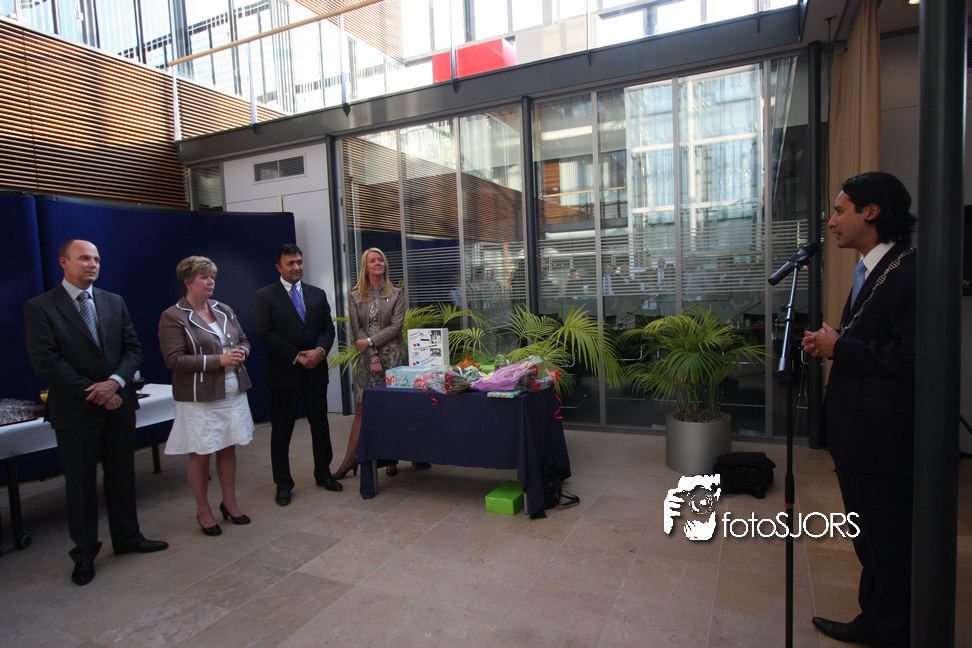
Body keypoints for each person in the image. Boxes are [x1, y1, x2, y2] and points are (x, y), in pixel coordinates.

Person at [801, 172, 917, 648]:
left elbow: (912, 358)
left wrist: (841, 348)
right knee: (870, 539)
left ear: (872, 211)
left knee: (887, 542)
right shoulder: (874, 269)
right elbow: (876, 340)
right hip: (860, 435)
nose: (831, 222)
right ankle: (875, 620)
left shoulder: (908, 271)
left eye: (839, 210)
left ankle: (895, 632)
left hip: (882, 439)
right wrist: (839, 340)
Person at [24, 239, 167, 586]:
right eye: (84, 258)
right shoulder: (41, 307)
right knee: (81, 484)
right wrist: (96, 392)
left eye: (97, 259)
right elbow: (47, 362)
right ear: (64, 262)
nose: (92, 264)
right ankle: (85, 553)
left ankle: (127, 537)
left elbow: (133, 348)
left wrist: (115, 383)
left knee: (122, 476)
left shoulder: (113, 301)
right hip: (76, 410)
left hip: (119, 404)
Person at [159, 256, 254, 536]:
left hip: (232, 391)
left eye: (212, 276)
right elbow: (174, 360)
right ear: (188, 281)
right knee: (201, 453)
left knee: (228, 448)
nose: (210, 281)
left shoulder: (223, 309)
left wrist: (242, 353)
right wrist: (218, 360)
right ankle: (203, 510)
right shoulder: (173, 316)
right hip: (200, 398)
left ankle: (230, 502)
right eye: (204, 277)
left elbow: (243, 339)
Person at [253, 244, 340, 506]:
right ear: (278, 267)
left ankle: (323, 474)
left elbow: (328, 329)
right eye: (290, 263)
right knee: (282, 430)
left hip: (315, 370)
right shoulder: (264, 296)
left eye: (299, 262)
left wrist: (320, 352)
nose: (296, 267)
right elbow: (265, 334)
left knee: (320, 425)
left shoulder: (317, 294)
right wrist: (297, 356)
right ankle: (283, 484)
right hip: (284, 371)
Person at [332, 247, 407, 479]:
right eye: (373, 261)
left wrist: (369, 342)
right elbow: (357, 331)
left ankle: (390, 459)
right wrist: (372, 355)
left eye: (380, 260)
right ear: (366, 268)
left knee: (391, 409)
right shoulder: (355, 296)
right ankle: (348, 461)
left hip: (393, 358)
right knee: (361, 410)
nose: (378, 263)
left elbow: (395, 327)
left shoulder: (397, 293)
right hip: (367, 359)